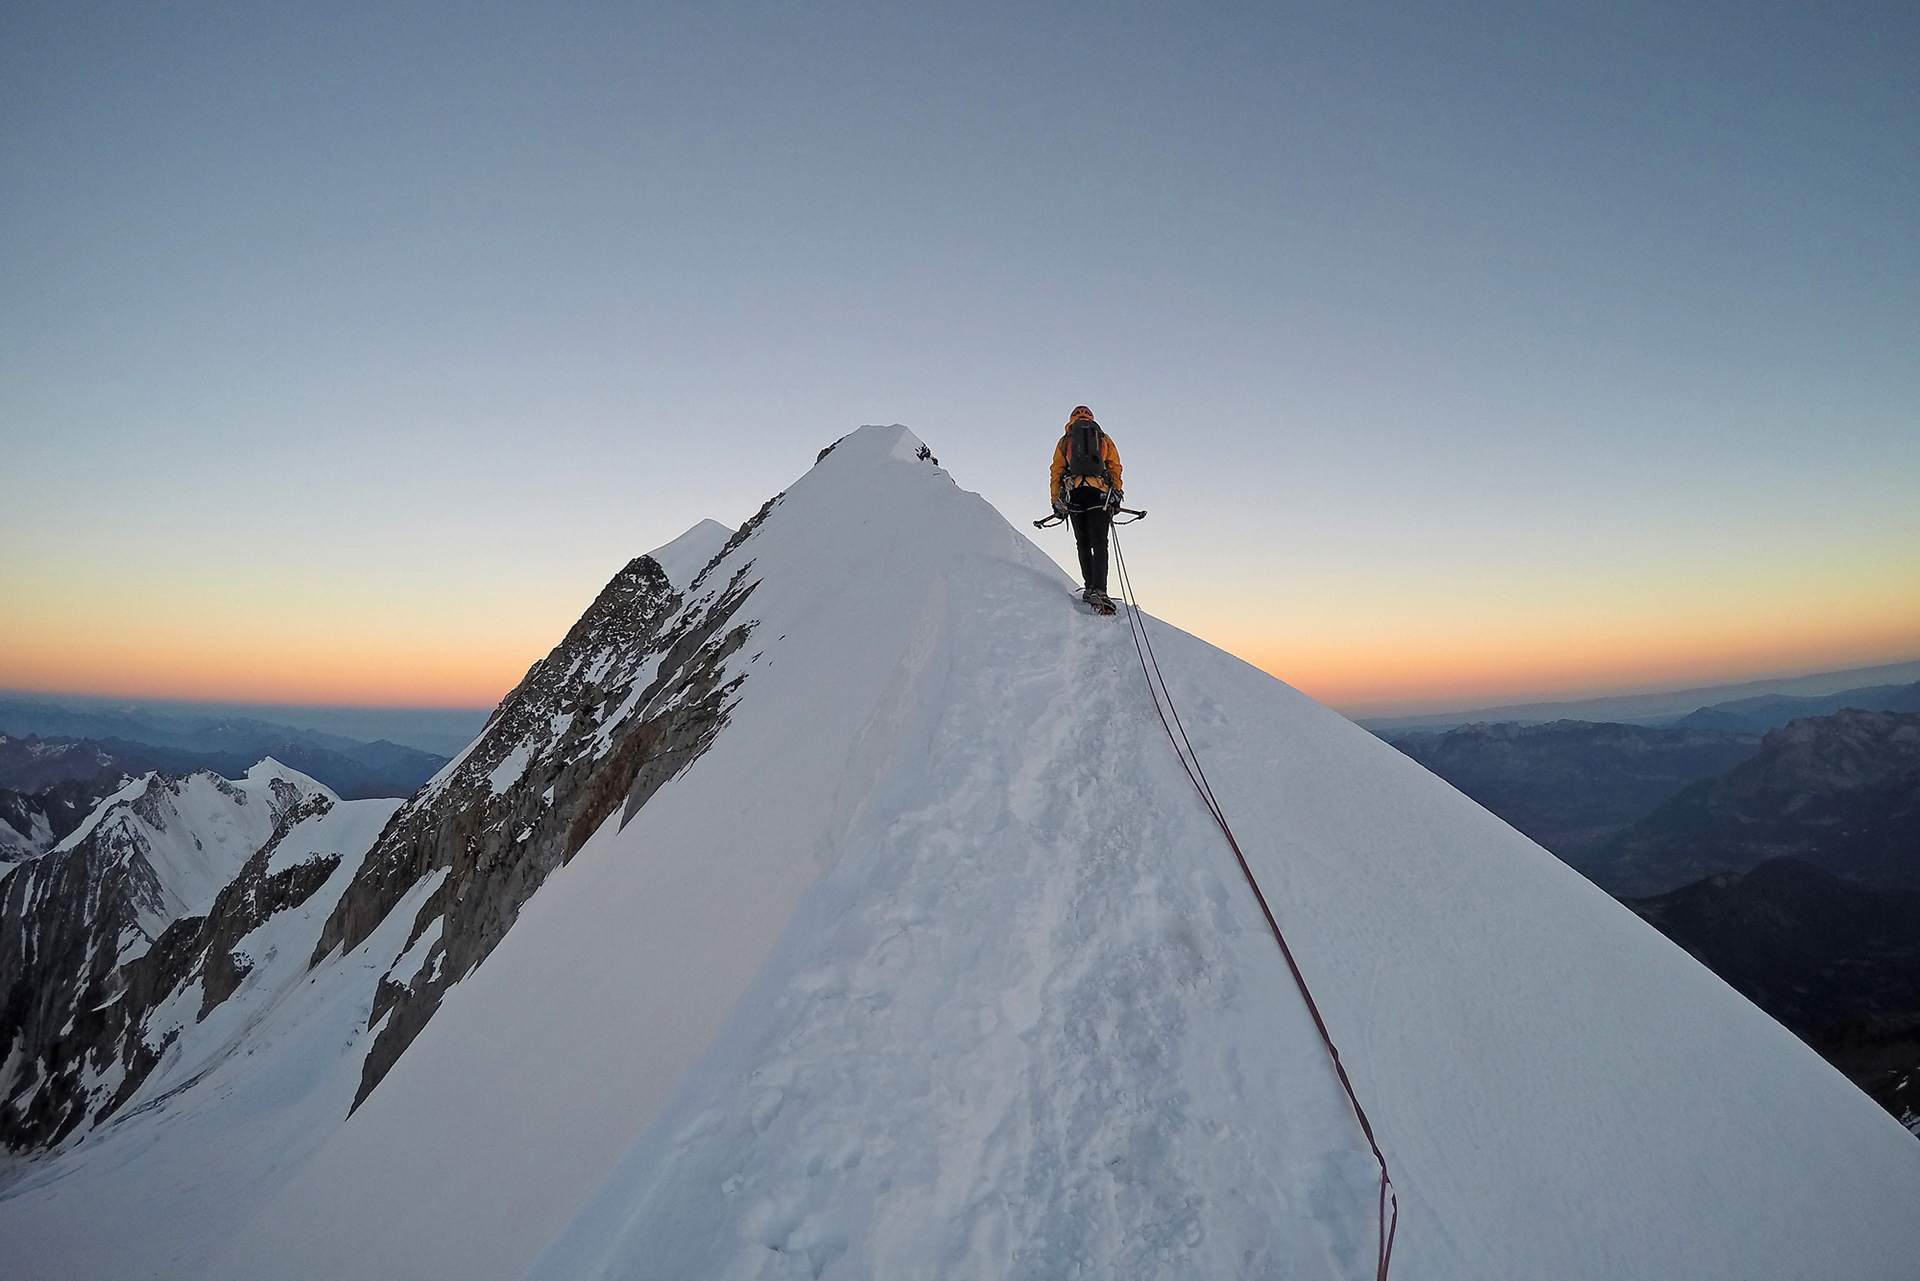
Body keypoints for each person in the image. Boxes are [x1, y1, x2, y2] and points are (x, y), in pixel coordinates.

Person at [1049, 406, 1123, 613]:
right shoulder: (1103, 438)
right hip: (1099, 494)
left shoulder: (1065, 440)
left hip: (1075, 495)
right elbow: (1115, 466)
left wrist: (1056, 501)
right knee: (1100, 543)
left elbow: (1056, 471)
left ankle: (1089, 587)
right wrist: (1117, 493)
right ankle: (1100, 589)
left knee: (1082, 542)